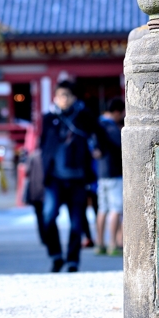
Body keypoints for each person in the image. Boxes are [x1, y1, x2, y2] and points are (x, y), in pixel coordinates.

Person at [39, 80, 97, 272]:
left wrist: (97, 150)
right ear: (55, 97)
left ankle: (72, 260)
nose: (63, 99)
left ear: (73, 98)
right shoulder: (48, 118)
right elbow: (42, 145)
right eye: (60, 95)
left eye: (67, 96)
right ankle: (55, 255)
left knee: (76, 221)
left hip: (78, 178)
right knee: (48, 216)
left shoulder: (84, 116)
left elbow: (98, 135)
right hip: (54, 177)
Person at [94, 98, 125, 256]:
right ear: (117, 112)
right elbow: (122, 145)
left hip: (101, 172)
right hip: (114, 172)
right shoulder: (111, 127)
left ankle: (99, 243)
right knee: (116, 209)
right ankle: (113, 244)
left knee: (102, 209)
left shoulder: (98, 124)